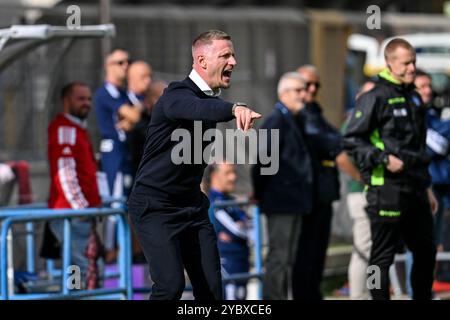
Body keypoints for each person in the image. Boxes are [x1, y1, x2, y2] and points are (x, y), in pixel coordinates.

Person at [127, 30, 261, 300]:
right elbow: (197, 109)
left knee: (211, 290)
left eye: (233, 55)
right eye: (225, 55)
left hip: (191, 206)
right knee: (170, 286)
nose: (233, 61)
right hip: (155, 207)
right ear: (201, 60)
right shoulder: (176, 95)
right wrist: (234, 109)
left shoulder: (208, 100)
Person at [343, 38, 438, 300]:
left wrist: (427, 188)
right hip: (386, 187)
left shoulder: (415, 98)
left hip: (416, 187)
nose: (411, 68)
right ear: (389, 63)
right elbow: (351, 140)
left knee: (426, 250)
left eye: (414, 63)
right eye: (406, 63)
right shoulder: (375, 97)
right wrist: (383, 159)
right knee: (381, 256)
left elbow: (419, 148)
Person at [252, 72, 313, 300]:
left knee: (288, 258)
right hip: (281, 200)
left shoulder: (294, 119)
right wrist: (261, 192)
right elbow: (264, 162)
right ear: (284, 93)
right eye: (298, 90)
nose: (304, 95)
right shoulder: (276, 120)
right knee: (279, 257)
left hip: (294, 200)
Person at [292, 65, 351, 300]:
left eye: (317, 85)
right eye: (308, 85)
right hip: (306, 197)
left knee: (317, 254)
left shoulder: (314, 111)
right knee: (304, 256)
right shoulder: (297, 115)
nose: (313, 90)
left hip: (323, 195)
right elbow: (328, 141)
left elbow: (335, 138)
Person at [47, 82, 103, 287]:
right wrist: (83, 209)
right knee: (77, 268)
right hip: (71, 214)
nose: (86, 103)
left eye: (89, 99)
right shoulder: (65, 129)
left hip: (79, 214)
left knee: (86, 267)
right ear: (66, 101)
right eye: (81, 99)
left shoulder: (77, 129)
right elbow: (65, 174)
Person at [94, 49, 133, 263]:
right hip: (113, 158)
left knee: (125, 205)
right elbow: (132, 114)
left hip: (124, 156)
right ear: (108, 66)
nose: (125, 66)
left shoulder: (123, 93)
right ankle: (109, 252)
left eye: (127, 62)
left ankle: (122, 253)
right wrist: (132, 115)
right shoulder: (105, 93)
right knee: (114, 205)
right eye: (120, 62)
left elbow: (133, 117)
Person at [415, 70, 450, 283]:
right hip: (421, 187)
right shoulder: (414, 117)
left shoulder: (431, 115)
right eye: (422, 86)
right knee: (419, 244)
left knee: (432, 243)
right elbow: (438, 146)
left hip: (438, 188)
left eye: (429, 86)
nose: (428, 91)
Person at [345, 80, 375, 300]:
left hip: (374, 193)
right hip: (362, 193)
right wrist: (361, 178)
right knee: (363, 249)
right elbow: (343, 157)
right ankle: (359, 295)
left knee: (375, 249)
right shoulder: (355, 121)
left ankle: (372, 292)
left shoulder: (372, 120)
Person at [207, 162, 250, 300]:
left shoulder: (230, 201)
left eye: (234, 172)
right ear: (214, 176)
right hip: (227, 262)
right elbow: (240, 230)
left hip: (241, 260)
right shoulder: (214, 202)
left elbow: (250, 227)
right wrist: (243, 228)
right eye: (227, 173)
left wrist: (243, 227)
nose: (233, 177)